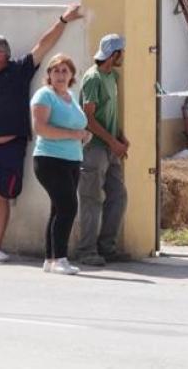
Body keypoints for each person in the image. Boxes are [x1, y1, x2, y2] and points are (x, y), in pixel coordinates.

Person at [0, 4, 82, 262]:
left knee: (5, 195)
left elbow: (43, 45)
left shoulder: (18, 71)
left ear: (2, 55)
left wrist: (64, 20)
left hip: (10, 147)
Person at [30, 54, 92, 274]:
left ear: (72, 74)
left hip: (72, 160)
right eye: (55, 70)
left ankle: (50, 260)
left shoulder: (71, 96)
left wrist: (84, 135)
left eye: (65, 70)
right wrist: (73, 134)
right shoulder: (44, 95)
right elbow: (40, 128)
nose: (60, 75)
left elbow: (77, 126)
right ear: (49, 74)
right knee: (68, 207)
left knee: (58, 209)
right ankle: (60, 259)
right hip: (49, 160)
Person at [74, 34, 130, 266]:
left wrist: (120, 136)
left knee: (118, 196)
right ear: (114, 54)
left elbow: (109, 112)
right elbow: (88, 118)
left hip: (110, 147)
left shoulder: (113, 76)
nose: (123, 56)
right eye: (122, 52)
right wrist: (112, 142)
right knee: (91, 199)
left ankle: (107, 247)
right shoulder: (93, 78)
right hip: (94, 149)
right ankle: (86, 250)